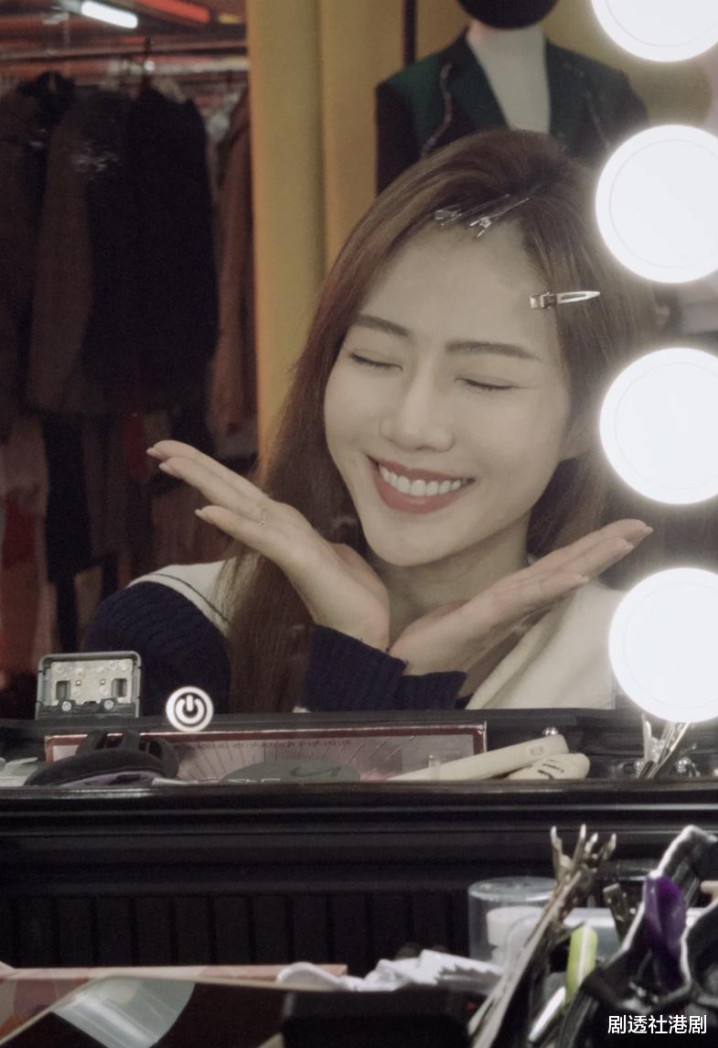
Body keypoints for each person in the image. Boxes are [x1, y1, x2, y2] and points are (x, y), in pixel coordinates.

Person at [85, 129, 659, 716]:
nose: (411, 426)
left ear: (587, 421)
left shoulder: (644, 668)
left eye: (484, 380)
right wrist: (355, 667)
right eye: (374, 359)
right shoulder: (172, 633)